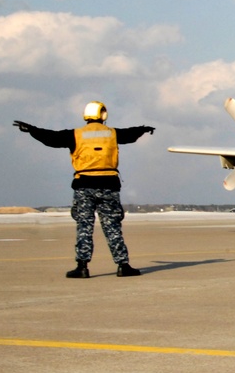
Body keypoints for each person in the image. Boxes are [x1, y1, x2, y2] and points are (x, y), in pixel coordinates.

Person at [13, 102, 154, 279]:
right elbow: (130, 134)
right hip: (109, 186)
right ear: (103, 115)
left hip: (84, 186)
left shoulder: (75, 135)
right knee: (113, 227)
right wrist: (144, 129)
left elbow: (51, 138)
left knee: (84, 227)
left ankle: (82, 267)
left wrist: (32, 129)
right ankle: (123, 265)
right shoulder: (112, 134)